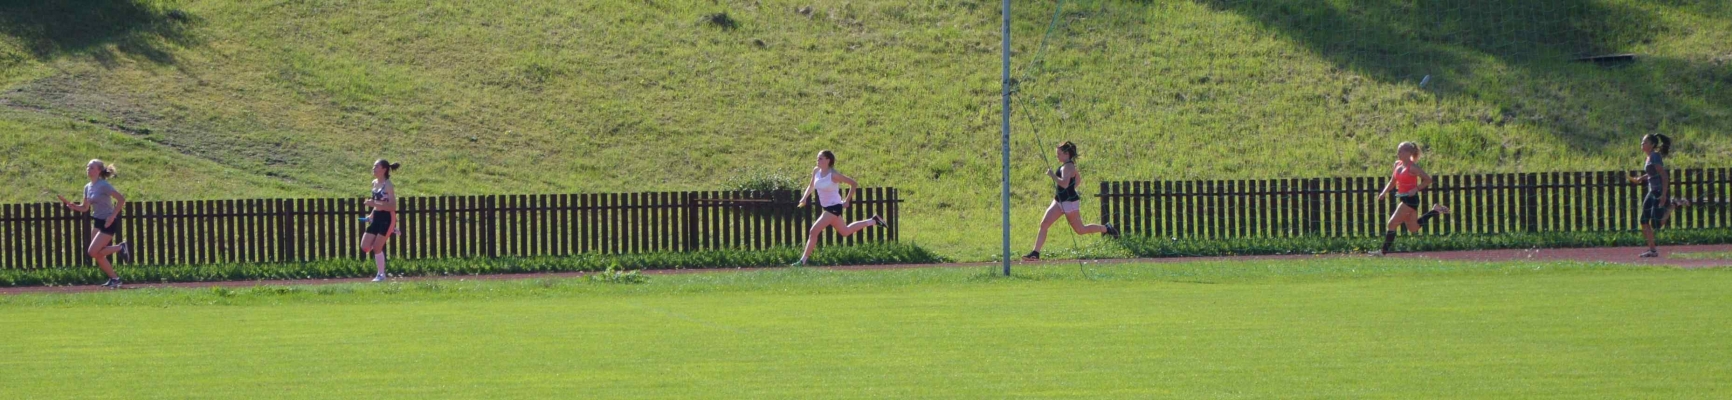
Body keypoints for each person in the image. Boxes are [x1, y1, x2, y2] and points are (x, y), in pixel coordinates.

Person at [1022, 141, 1118, 261]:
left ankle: (1106, 228)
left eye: (1059, 154)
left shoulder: (1068, 166)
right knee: (1044, 224)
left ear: (1067, 154)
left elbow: (1065, 184)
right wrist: (1071, 189)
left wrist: (1053, 176)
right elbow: (1078, 180)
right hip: (1058, 201)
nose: (1057, 156)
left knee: (1080, 230)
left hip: (1069, 203)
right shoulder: (1067, 166)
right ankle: (1035, 253)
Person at [792, 150, 887, 266]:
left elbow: (854, 184)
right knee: (845, 231)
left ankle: (802, 261)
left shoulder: (834, 175)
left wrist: (847, 201)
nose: (818, 160)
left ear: (828, 160)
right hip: (827, 208)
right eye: (817, 158)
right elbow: (811, 186)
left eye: (820, 158)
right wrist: (804, 198)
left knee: (813, 231)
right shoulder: (816, 171)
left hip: (834, 208)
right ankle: (873, 221)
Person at [56, 159, 130, 288]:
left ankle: (120, 247)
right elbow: (85, 208)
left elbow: (121, 199)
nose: (88, 169)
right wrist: (74, 207)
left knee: (92, 252)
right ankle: (115, 279)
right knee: (97, 254)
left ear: (99, 170)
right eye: (87, 167)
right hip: (97, 221)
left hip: (108, 222)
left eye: (91, 167)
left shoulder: (104, 185)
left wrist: (112, 217)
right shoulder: (87, 187)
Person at [1373, 142, 1451, 256]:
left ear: (1409, 153)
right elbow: (1392, 181)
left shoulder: (1413, 167)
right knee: (1413, 228)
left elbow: (1428, 179)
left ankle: (1382, 252)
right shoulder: (1397, 164)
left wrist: (1416, 189)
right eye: (1398, 150)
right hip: (1404, 199)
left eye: (1401, 151)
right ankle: (1435, 210)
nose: (1398, 153)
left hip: (1411, 200)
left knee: (1391, 224)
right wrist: (1384, 192)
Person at [1630, 134, 1672, 258]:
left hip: (1658, 191)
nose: (1642, 144)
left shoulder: (1654, 157)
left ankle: (1673, 205)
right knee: (1643, 221)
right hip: (1651, 191)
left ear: (1652, 145)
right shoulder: (1649, 158)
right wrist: (1640, 178)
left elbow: (1663, 176)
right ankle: (1652, 250)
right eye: (1642, 142)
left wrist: (1664, 194)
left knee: (1656, 224)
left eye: (1645, 142)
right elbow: (1651, 173)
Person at [359, 159, 401, 281]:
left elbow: (392, 206)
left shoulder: (388, 185)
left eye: (376, 166)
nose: (373, 168)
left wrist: (374, 203)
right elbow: (376, 204)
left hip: (387, 217)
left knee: (377, 247)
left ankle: (381, 275)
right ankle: (391, 230)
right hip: (377, 216)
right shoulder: (374, 183)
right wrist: (371, 215)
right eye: (374, 166)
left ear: (384, 169)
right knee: (365, 247)